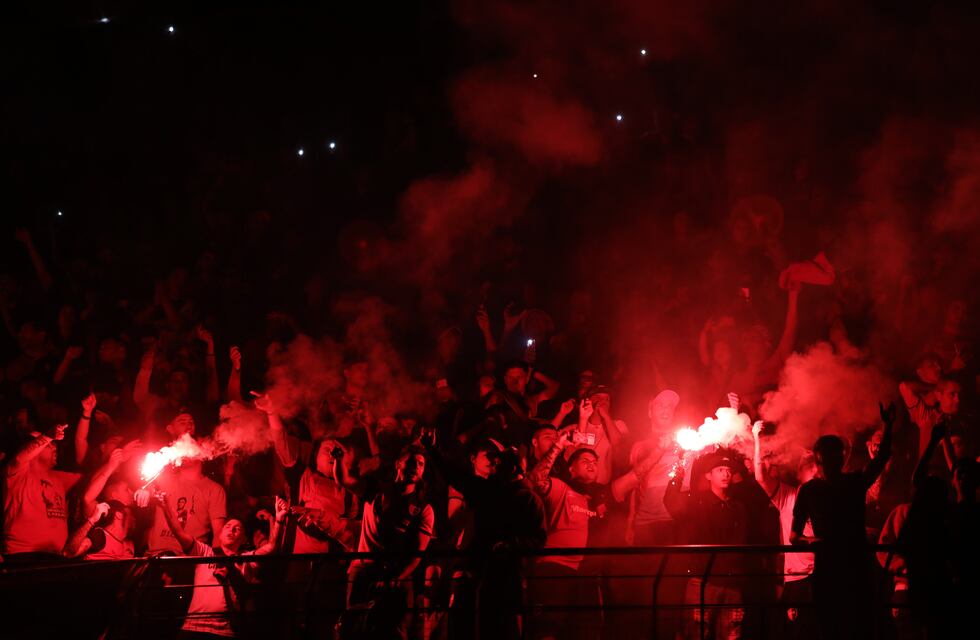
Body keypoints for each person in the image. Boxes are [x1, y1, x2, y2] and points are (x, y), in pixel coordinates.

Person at [791, 402, 895, 640]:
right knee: (848, 627)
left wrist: (814, 541)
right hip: (844, 567)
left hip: (841, 568)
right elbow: (795, 537)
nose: (831, 462)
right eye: (829, 457)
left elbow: (794, 537)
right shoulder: (838, 485)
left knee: (837, 628)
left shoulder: (838, 485)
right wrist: (888, 426)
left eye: (833, 457)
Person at [154, 491, 287, 639]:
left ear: (243, 539)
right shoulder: (205, 552)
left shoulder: (246, 560)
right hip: (193, 628)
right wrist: (165, 506)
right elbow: (178, 531)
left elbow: (270, 548)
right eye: (228, 526)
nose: (232, 529)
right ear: (220, 534)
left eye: (238, 528)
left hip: (225, 632)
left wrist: (279, 520)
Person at [334, 444, 434, 639]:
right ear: (398, 464)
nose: (415, 467)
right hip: (364, 570)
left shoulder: (423, 507)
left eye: (420, 464)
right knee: (354, 629)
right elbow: (344, 479)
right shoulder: (376, 490)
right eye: (411, 462)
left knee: (393, 633)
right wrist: (338, 459)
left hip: (397, 578)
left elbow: (418, 553)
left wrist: (399, 577)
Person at [665, 450, 750, 640]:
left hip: (732, 584)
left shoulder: (739, 506)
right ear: (708, 475)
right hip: (703, 583)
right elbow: (671, 501)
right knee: (697, 635)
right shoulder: (696, 502)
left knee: (731, 636)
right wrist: (678, 468)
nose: (726, 474)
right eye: (720, 469)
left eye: (728, 470)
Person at [751, 421, 816, 638]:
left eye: (815, 465)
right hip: (796, 580)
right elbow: (760, 477)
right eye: (807, 465)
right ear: (800, 472)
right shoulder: (788, 495)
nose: (812, 469)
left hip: (821, 576)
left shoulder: (826, 498)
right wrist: (756, 439)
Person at [3, 424, 81, 562]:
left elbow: (90, 478)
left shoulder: (59, 478)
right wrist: (47, 437)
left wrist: (114, 462)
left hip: (56, 556)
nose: (54, 446)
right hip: (22, 555)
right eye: (49, 444)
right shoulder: (16, 472)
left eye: (53, 444)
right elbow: (19, 459)